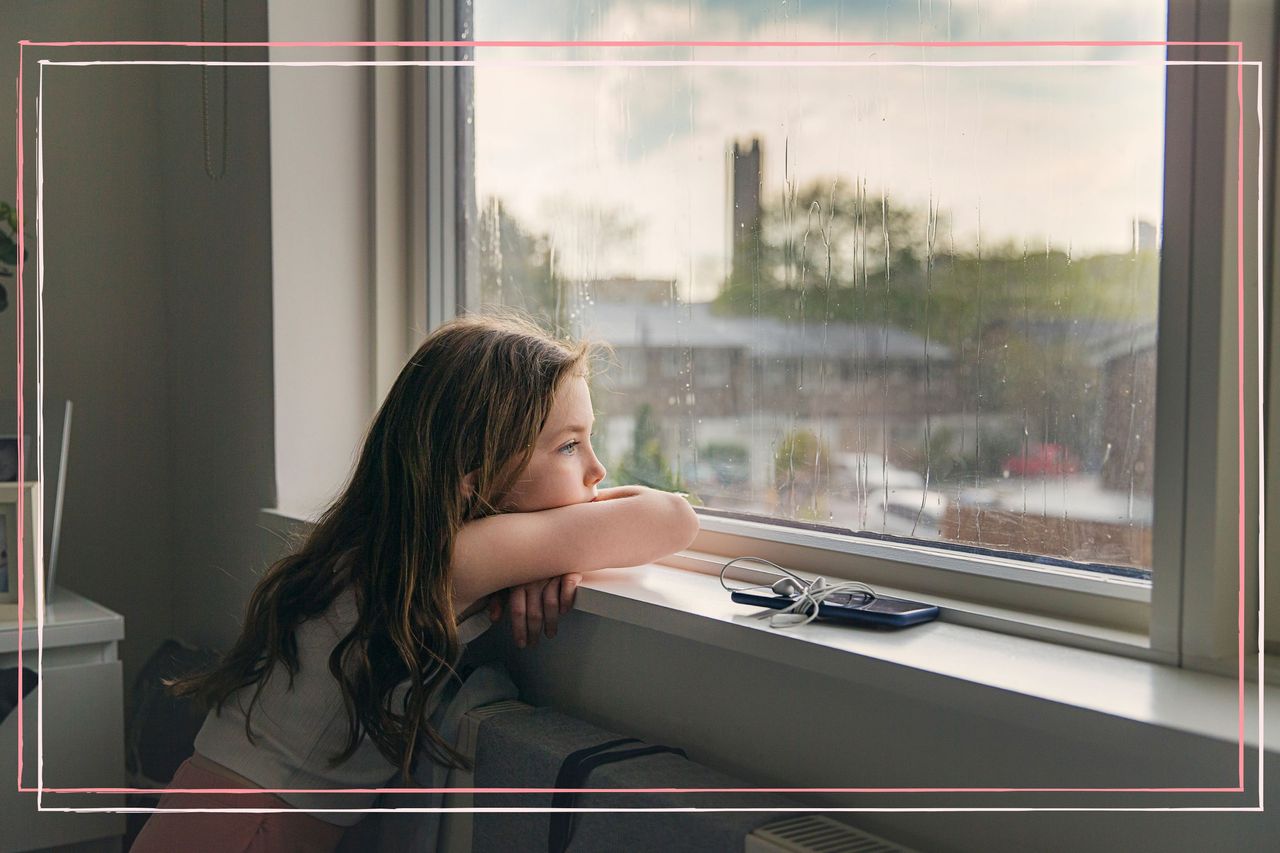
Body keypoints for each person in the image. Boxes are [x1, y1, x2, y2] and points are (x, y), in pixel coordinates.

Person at [131, 311, 700, 853]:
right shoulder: (441, 560)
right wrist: (553, 545)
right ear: (470, 478)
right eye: (569, 446)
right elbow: (674, 519)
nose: (598, 471)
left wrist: (547, 552)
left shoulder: (388, 547)